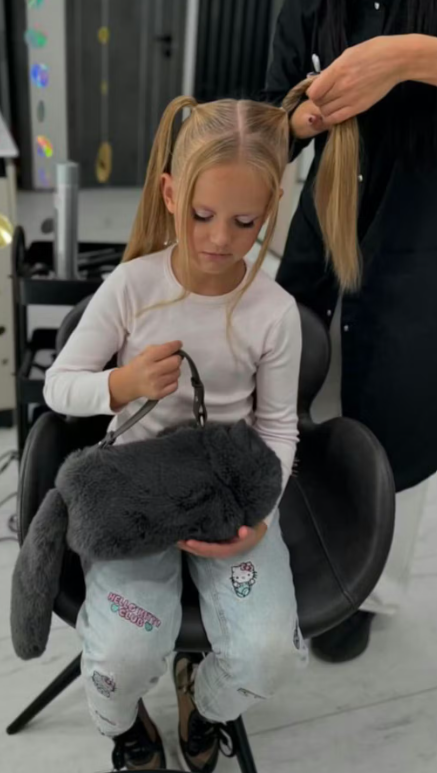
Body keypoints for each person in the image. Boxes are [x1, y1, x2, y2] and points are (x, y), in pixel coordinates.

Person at [43, 94, 308, 772]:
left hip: (229, 492)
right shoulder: (133, 287)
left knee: (267, 654)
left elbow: (278, 425)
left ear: (270, 208)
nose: (219, 239)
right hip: (137, 489)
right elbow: (57, 385)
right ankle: (125, 721)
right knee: (122, 653)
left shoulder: (273, 312)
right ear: (169, 194)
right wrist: (121, 383)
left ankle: (204, 703)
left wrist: (260, 516)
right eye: (200, 215)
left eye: (245, 222)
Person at [265, 0, 437, 662]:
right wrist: (297, 119)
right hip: (327, 222)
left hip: (420, 237)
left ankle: (369, 589)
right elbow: (272, 114)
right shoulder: (306, 7)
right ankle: (301, 547)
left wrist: (403, 58)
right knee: (294, 385)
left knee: (398, 412)